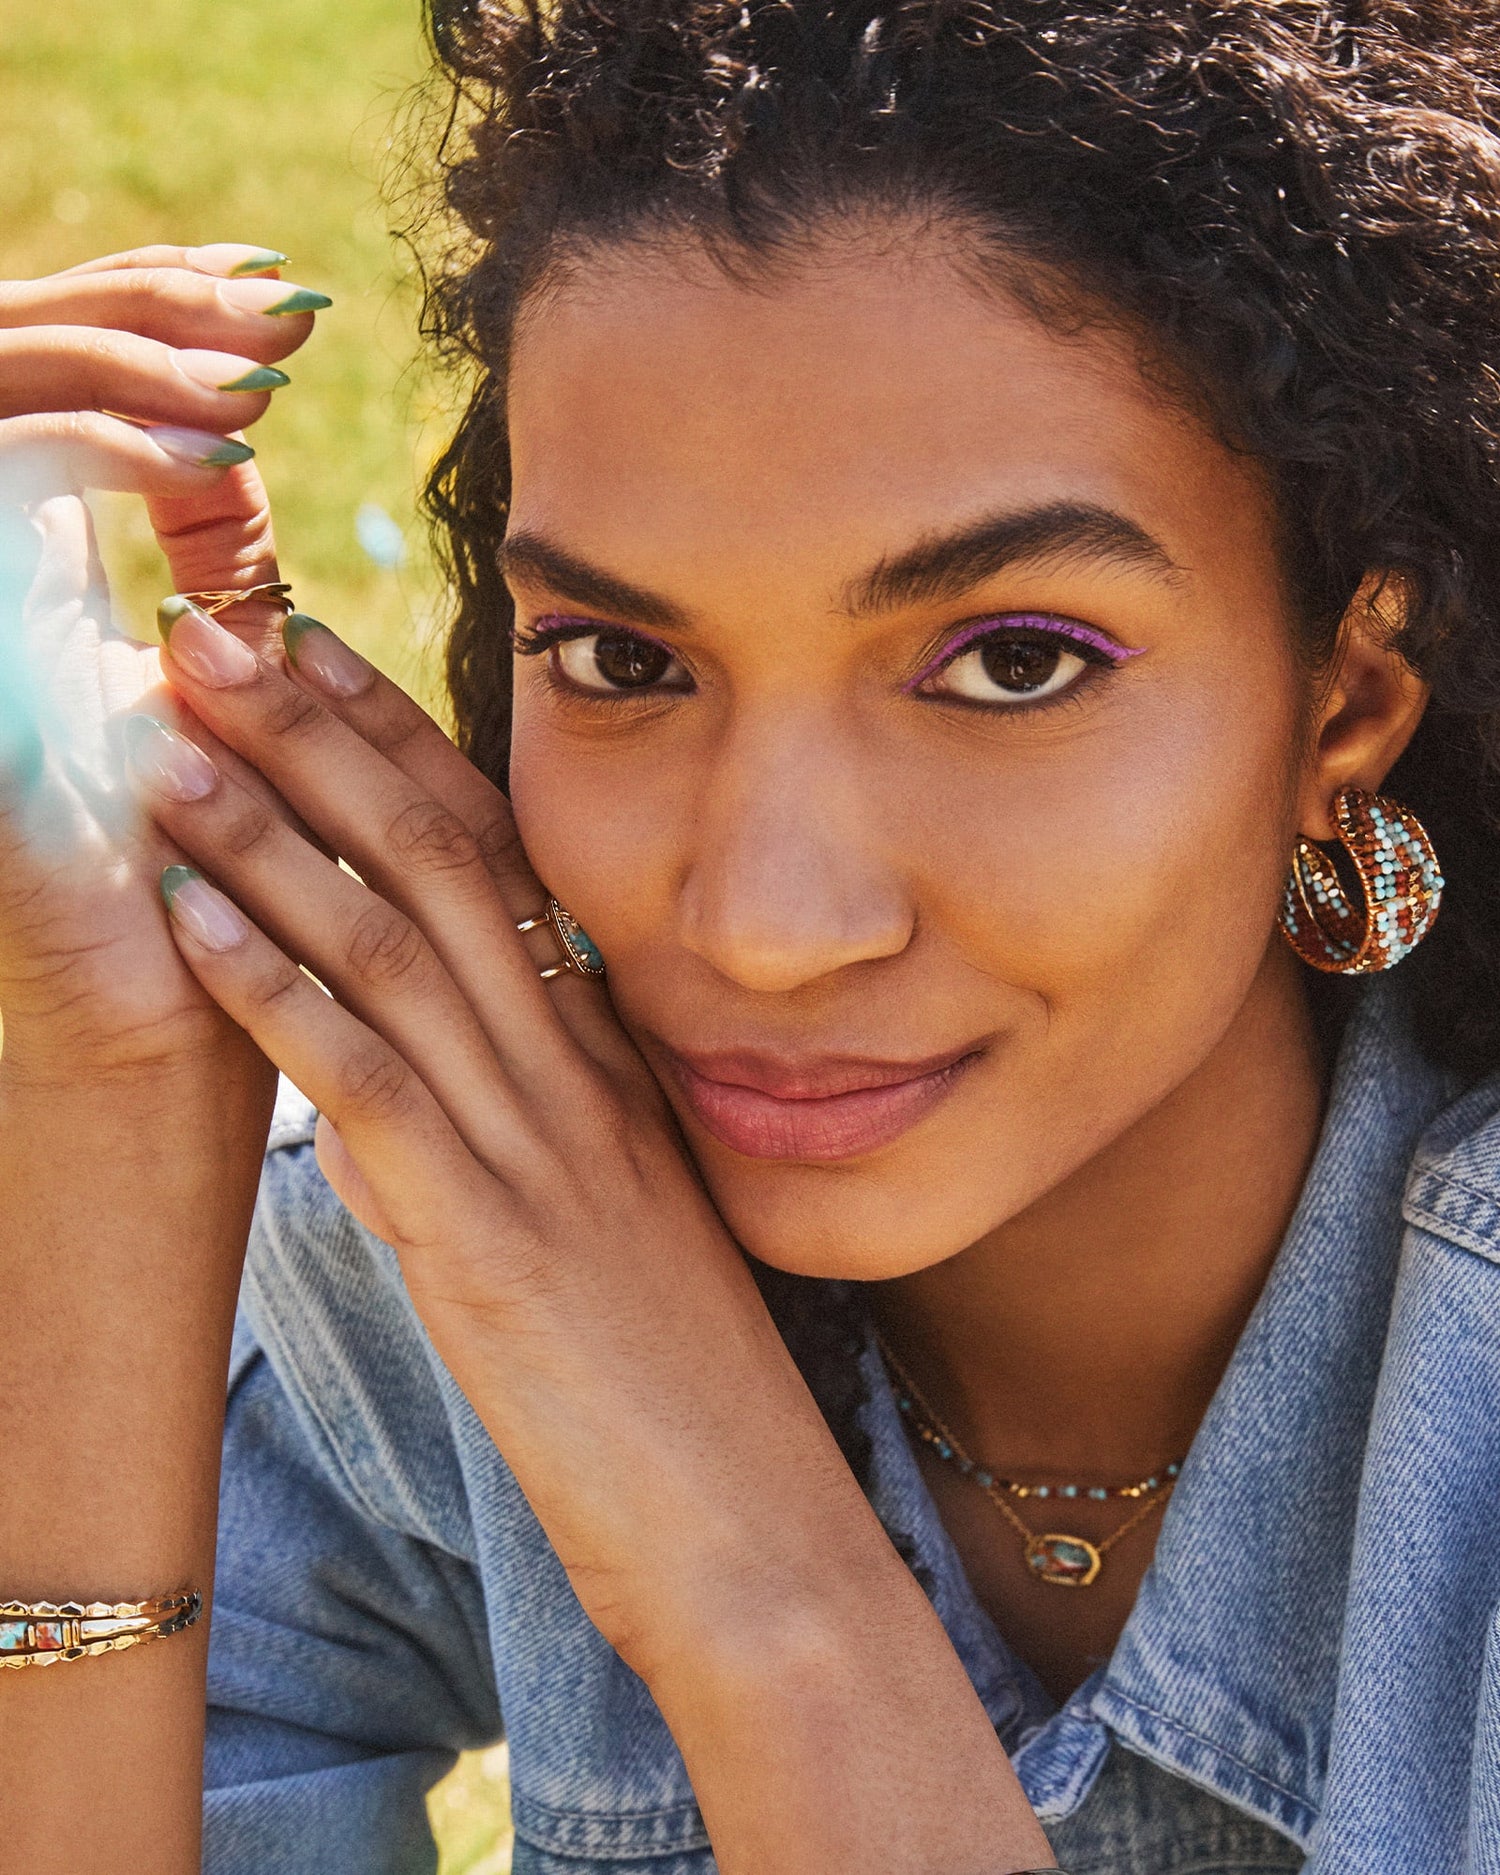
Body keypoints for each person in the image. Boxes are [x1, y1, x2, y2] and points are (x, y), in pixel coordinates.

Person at [3, 2, 1500, 1870]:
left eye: (1012, 664)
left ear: (1347, 699)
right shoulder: (458, 1242)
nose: (773, 926)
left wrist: (762, 1593)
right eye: (625, 661)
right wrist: (108, 1096)